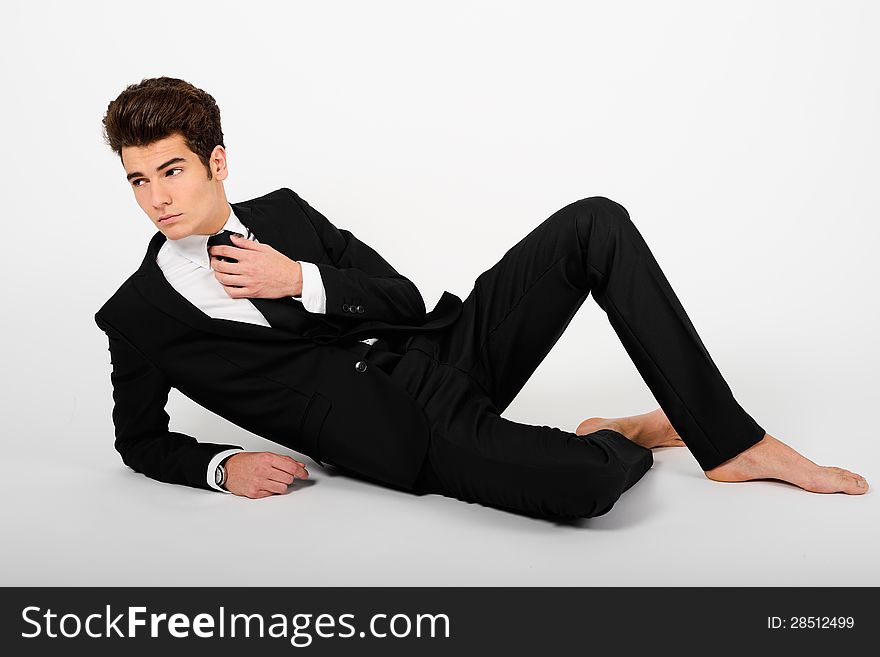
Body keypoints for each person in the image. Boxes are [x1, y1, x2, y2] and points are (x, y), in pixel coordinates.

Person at [95, 77, 867, 521]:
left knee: (594, 222)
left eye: (171, 171)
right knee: (590, 485)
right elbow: (140, 438)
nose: (157, 197)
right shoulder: (137, 315)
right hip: (404, 433)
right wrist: (219, 466)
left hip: (447, 349)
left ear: (216, 161)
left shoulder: (289, 214)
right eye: (138, 179)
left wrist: (299, 278)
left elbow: (401, 297)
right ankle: (616, 433)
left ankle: (729, 443)